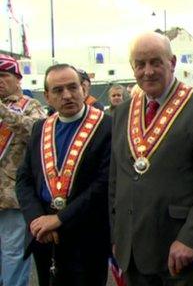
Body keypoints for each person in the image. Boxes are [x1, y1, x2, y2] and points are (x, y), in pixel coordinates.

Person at [109, 32, 193, 286]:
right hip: (131, 250)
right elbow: (115, 180)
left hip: (178, 251)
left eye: (155, 62)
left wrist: (191, 238)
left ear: (171, 62)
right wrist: (117, 235)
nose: (147, 71)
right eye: (140, 64)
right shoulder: (123, 112)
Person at [16, 64, 111, 286]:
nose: (67, 95)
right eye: (58, 90)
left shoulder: (107, 126)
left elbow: (104, 183)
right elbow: (24, 179)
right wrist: (37, 220)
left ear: (84, 89)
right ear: (47, 97)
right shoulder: (40, 128)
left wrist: (59, 219)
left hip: (85, 233)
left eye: (72, 87)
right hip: (44, 234)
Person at [0, 54, 45, 286]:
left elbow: (36, 131)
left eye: (4, 76)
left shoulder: (31, 105)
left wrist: (3, 112)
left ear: (18, 79)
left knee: (13, 254)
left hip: (11, 196)